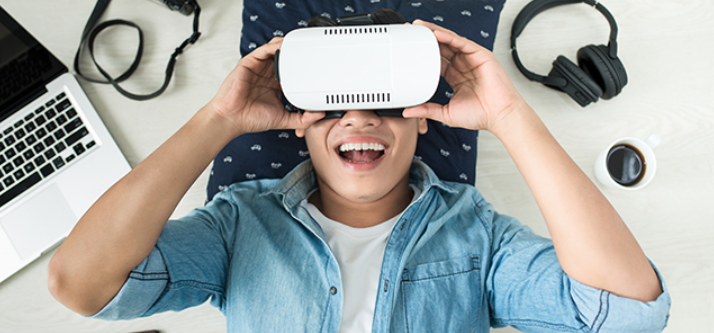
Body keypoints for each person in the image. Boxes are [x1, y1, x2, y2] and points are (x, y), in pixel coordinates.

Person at [47, 18, 671, 332]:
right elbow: (81, 284)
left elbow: (627, 313)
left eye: (386, 99)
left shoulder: (477, 235)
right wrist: (219, 119)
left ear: (424, 118)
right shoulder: (240, 226)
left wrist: (509, 116)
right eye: (334, 101)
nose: (359, 118)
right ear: (297, 119)